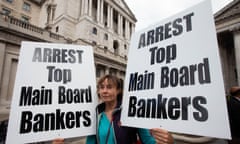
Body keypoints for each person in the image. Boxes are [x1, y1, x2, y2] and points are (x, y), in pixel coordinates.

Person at [53, 74, 174, 144]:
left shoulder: (131, 112)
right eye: (101, 87)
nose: (104, 91)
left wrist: (167, 141)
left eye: (109, 87)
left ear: (118, 90)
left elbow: (148, 140)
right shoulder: (96, 115)